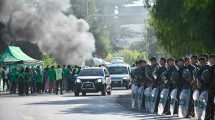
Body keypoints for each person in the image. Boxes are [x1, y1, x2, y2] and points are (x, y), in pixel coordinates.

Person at [208, 54, 215, 119]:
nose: (211, 60)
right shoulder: (209, 67)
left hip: (213, 87)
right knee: (210, 102)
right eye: (210, 59)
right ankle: (211, 115)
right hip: (211, 87)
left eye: (212, 59)